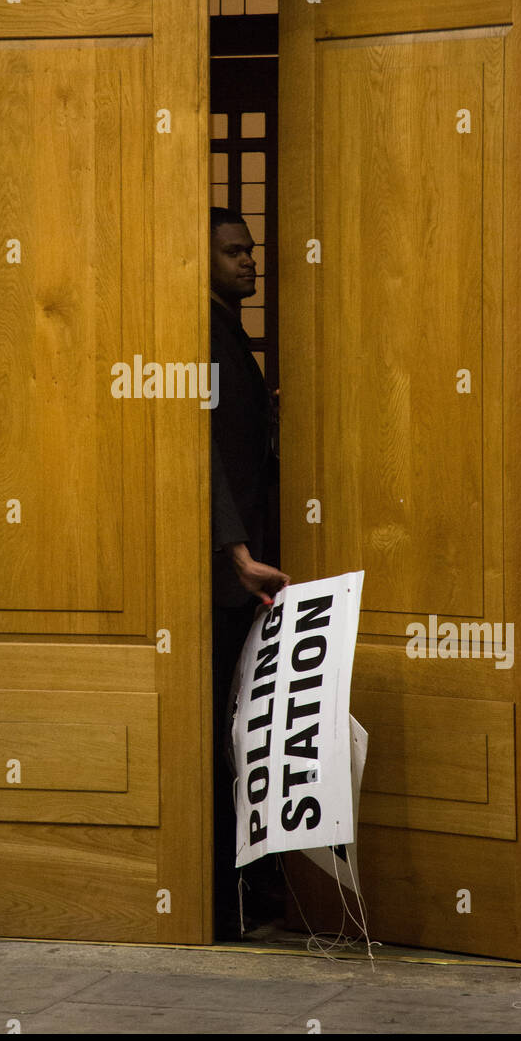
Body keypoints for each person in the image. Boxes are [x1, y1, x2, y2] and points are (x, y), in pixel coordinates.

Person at [209, 206, 290, 939]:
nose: (247, 262)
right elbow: (198, 450)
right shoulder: (198, 332)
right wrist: (234, 551)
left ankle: (252, 886)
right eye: (232, 251)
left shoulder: (229, 331)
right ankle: (217, 899)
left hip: (245, 566)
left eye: (251, 250)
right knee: (216, 731)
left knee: (243, 724)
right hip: (221, 573)